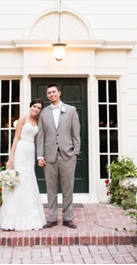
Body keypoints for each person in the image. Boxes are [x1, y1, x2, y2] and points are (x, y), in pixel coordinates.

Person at [0, 99, 47, 231]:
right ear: (30, 106)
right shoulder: (22, 119)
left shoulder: (37, 121)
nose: (36, 109)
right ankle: (13, 219)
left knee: (29, 179)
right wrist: (10, 158)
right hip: (21, 150)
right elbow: (15, 138)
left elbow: (37, 139)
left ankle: (31, 216)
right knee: (19, 180)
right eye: (34, 107)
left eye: (39, 108)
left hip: (30, 151)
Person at [36, 83, 81, 229]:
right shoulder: (43, 113)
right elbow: (40, 136)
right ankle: (53, 218)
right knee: (51, 189)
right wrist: (40, 155)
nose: (52, 95)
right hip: (49, 157)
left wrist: (76, 152)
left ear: (59, 93)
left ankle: (68, 218)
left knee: (68, 188)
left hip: (68, 155)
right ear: (47, 95)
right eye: (49, 93)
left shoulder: (71, 110)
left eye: (54, 92)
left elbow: (76, 133)